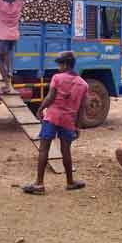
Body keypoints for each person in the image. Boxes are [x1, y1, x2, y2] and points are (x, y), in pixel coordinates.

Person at [22, 51, 87, 195]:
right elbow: (81, 108)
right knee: (66, 151)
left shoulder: (57, 78)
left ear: (65, 65)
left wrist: (41, 108)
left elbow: (50, 97)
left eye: (59, 64)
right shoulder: (83, 84)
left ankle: (39, 184)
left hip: (52, 117)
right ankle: (70, 182)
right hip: (68, 120)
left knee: (44, 148)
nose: (58, 68)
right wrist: (78, 126)